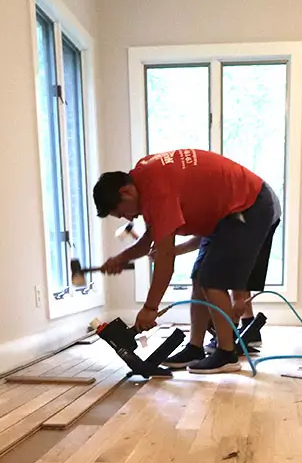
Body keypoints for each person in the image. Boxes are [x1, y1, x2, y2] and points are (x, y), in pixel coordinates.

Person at [92, 148, 281, 374]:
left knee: (212, 279)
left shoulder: (156, 190)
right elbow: (149, 240)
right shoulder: (146, 179)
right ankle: (195, 347)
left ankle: (226, 354)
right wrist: (122, 258)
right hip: (226, 214)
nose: (126, 218)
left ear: (126, 192)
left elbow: (165, 259)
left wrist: (150, 308)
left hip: (249, 204)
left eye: (120, 212)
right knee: (199, 276)